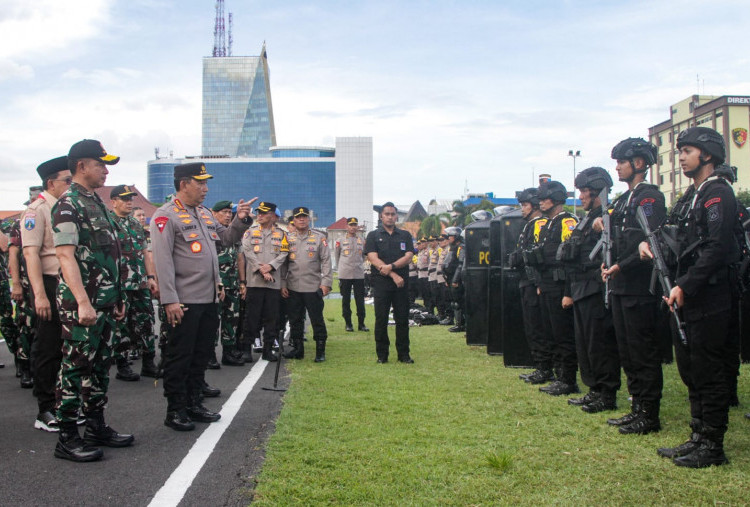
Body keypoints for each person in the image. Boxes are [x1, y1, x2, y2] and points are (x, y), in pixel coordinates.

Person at [642, 127, 739, 468]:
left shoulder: (717, 193)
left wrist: (687, 285)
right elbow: (676, 238)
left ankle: (712, 445)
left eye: (688, 151)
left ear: (707, 155)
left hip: (710, 294)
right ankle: (698, 435)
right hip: (687, 293)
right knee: (691, 369)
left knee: (709, 371)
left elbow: (717, 247)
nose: (681, 156)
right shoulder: (692, 196)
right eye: (680, 151)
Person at [151, 162, 255, 431]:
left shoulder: (205, 214)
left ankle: (194, 403)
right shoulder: (166, 216)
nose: (206, 188)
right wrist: (170, 300)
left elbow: (227, 239)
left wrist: (241, 220)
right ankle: (175, 410)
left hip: (208, 299)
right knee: (179, 358)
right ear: (184, 184)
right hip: (183, 301)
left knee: (200, 356)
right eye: (201, 183)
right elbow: (163, 262)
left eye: (206, 183)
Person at [52, 139, 134, 462]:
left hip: (105, 301)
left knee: (100, 366)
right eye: (101, 164)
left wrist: (115, 297)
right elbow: (64, 255)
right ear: (82, 166)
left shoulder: (96, 202)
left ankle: (96, 425)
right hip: (81, 305)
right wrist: (83, 302)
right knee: (75, 367)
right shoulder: (69, 203)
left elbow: (107, 254)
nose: (105, 170)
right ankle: (67, 436)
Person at [603, 137, 666, 435]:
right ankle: (636, 407)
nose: (617, 167)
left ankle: (649, 414)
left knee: (643, 352)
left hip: (639, 287)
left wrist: (621, 265)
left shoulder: (649, 197)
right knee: (628, 351)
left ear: (639, 163)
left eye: (622, 162)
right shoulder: (623, 200)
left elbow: (650, 239)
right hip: (620, 285)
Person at [562, 167, 620, 413]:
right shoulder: (586, 220)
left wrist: (606, 226)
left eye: (585, 191)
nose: (581, 196)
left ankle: (606, 393)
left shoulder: (609, 216)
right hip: (580, 286)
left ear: (598, 191)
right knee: (585, 343)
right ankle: (593, 388)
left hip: (597, 287)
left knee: (600, 343)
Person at [22, 156, 71, 431]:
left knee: (67, 349)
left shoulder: (65, 207)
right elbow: (30, 254)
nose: (70, 185)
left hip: (67, 283)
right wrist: (39, 295)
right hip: (49, 284)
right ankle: (45, 410)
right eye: (67, 180)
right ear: (51, 183)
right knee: (48, 348)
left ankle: (63, 401)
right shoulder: (36, 210)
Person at [109, 185, 158, 381]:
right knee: (121, 325)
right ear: (114, 202)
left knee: (146, 321)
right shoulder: (108, 223)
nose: (129, 202)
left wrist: (151, 277)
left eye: (131, 198)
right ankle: (123, 365)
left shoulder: (136, 224)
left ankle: (148, 363)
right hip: (120, 284)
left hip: (139, 283)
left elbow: (145, 253)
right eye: (125, 198)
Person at [535, 180, 579, 396]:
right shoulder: (548, 224)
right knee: (551, 333)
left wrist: (568, 292)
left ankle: (568, 379)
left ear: (555, 199)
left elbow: (570, 259)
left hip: (561, 287)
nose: (541, 203)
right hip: (547, 285)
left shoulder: (566, 222)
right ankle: (558, 374)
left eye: (544, 199)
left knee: (564, 336)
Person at [364, 202, 415, 363]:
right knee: (381, 319)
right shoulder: (373, 235)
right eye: (387, 214)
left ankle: (404, 354)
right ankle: (382, 355)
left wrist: (391, 267)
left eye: (393, 214)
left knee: (402, 319)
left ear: (396, 216)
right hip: (382, 283)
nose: (390, 217)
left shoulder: (405, 235)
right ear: (381, 216)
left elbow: (408, 256)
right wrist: (393, 274)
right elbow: (372, 257)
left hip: (401, 283)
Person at [281, 206, 332, 362]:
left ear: (309, 219)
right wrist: (283, 284)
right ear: (293, 220)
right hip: (293, 286)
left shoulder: (318, 238)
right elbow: (283, 263)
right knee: (295, 320)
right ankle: (297, 349)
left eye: (304, 217)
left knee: (317, 319)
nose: (301, 219)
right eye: (298, 217)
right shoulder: (287, 238)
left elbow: (326, 261)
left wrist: (326, 283)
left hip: (313, 286)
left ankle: (320, 351)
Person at [512, 188, 552, 384]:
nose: (522, 210)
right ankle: (540, 365)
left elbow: (538, 256)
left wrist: (538, 282)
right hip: (526, 280)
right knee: (531, 326)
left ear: (534, 206)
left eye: (525, 205)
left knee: (537, 327)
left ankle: (545, 368)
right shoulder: (529, 225)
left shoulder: (539, 224)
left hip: (533, 282)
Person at [242, 201, 288, 361]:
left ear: (272, 215)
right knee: (251, 317)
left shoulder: (282, 234)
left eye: (263, 213)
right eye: (258, 213)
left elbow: (284, 254)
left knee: (271, 318)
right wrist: (261, 268)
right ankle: (246, 349)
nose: (259, 215)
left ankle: (268, 350)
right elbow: (247, 251)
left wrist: (271, 266)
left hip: (273, 283)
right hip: (254, 282)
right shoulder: (250, 232)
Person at [211, 200, 245, 367]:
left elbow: (239, 258)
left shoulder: (234, 233)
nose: (227, 215)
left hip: (232, 283)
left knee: (231, 319)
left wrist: (242, 282)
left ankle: (229, 353)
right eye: (223, 212)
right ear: (214, 213)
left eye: (229, 213)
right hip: (215, 285)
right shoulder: (210, 232)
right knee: (212, 321)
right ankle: (209, 354)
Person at [335, 217, 368, 332]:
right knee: (346, 300)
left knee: (360, 300)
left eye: (355, 225)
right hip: (345, 274)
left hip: (358, 273)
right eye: (351, 225)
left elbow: (363, 256)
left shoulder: (362, 240)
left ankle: (361, 324)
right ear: (347, 227)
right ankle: (348, 324)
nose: (353, 227)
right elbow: (337, 256)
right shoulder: (340, 240)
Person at [442, 227, 463, 330]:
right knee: (453, 301)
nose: (448, 238)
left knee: (457, 302)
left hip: (457, 279)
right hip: (450, 278)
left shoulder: (460, 247)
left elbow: (460, 264)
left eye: (450, 236)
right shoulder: (453, 247)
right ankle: (458, 323)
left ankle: (460, 324)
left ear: (456, 236)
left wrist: (455, 279)